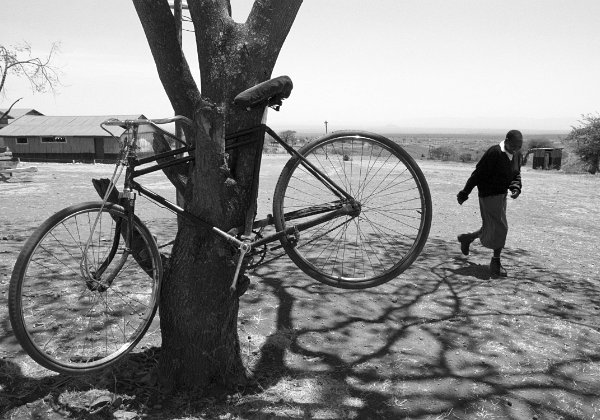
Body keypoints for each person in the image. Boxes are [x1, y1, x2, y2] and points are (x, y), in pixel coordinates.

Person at [456, 129, 523, 278]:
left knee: (492, 226)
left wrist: (516, 187)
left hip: (501, 195)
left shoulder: (517, 154)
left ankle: (467, 238)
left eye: (519, 147)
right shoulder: (494, 153)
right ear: (506, 141)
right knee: (501, 227)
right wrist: (464, 193)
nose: (516, 149)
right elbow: (478, 174)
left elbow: (516, 173)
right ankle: (495, 262)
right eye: (513, 146)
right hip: (488, 195)